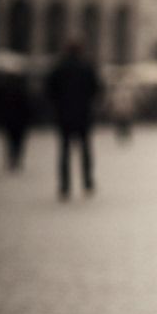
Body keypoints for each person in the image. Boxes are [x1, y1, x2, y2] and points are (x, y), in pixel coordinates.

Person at [44, 36, 103, 199]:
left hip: (64, 115)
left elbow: (49, 90)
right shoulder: (87, 67)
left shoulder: (59, 68)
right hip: (83, 114)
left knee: (64, 151)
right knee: (85, 150)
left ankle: (64, 186)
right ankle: (88, 182)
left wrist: (57, 105)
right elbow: (96, 89)